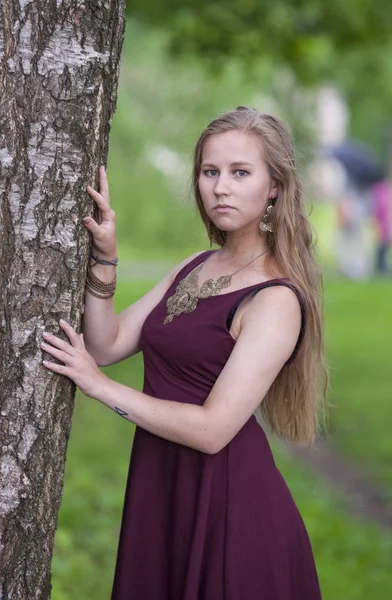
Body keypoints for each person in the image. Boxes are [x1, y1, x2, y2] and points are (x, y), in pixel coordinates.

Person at [41, 107, 328, 599]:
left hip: (229, 506)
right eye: (210, 171)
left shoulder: (275, 299)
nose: (221, 187)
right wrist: (106, 256)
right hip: (163, 487)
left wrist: (100, 387)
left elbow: (214, 430)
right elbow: (107, 344)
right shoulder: (195, 266)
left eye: (240, 173)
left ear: (275, 186)